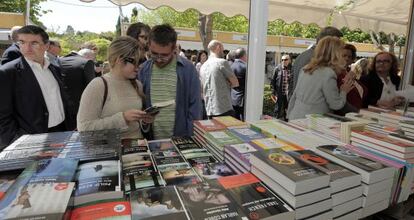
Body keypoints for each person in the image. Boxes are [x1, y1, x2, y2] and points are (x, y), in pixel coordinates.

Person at [0, 25, 72, 149]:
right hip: (31, 141)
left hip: (62, 133)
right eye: (22, 42)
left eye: (34, 43)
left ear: (46, 46)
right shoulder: (7, 73)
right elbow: (2, 118)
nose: (27, 48)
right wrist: (22, 146)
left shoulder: (54, 69)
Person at [77, 36, 153, 139]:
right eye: (137, 61)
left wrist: (144, 121)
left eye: (142, 61)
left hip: (138, 148)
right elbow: (84, 128)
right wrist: (123, 118)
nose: (140, 66)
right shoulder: (98, 86)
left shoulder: (137, 84)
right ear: (119, 60)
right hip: (110, 150)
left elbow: (136, 125)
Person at [138, 24, 202, 139]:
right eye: (154, 53)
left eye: (164, 55)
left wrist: (191, 138)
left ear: (174, 49)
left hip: (180, 138)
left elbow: (195, 108)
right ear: (149, 46)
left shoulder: (188, 69)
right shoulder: (143, 70)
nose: (158, 59)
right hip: (152, 139)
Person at [287, 36, 354, 120]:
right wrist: (344, 91)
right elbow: (336, 105)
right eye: (342, 53)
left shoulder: (306, 68)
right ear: (335, 54)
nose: (344, 58)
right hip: (312, 123)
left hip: (295, 117)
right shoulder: (328, 73)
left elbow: (294, 96)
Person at [291, 26, 343, 98]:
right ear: (327, 43)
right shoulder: (317, 59)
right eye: (336, 44)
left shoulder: (302, 56)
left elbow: (291, 86)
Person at [200, 40, 239, 119]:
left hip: (209, 109)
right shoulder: (222, 62)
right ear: (218, 47)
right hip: (224, 108)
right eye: (223, 49)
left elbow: (202, 88)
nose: (223, 52)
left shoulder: (203, 66)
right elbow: (235, 83)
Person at [59, 48, 96, 127]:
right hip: (79, 106)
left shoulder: (59, 61)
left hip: (61, 105)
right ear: (88, 56)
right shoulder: (87, 62)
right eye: (93, 58)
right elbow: (92, 86)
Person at [336, 44, 367, 111]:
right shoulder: (334, 73)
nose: (347, 58)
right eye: (344, 56)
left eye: (349, 57)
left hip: (357, 112)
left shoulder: (351, 73)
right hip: (344, 113)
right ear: (337, 56)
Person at [271, 54, 292, 120]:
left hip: (288, 94)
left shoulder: (292, 69)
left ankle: (287, 122)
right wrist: (273, 93)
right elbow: (273, 81)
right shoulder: (277, 69)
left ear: (289, 60)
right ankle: (275, 121)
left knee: (288, 109)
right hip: (279, 93)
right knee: (277, 109)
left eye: (285, 59)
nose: (283, 61)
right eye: (282, 60)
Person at [231, 47, 247, 120]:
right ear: (244, 56)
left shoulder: (230, 66)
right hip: (243, 100)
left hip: (232, 98)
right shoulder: (246, 67)